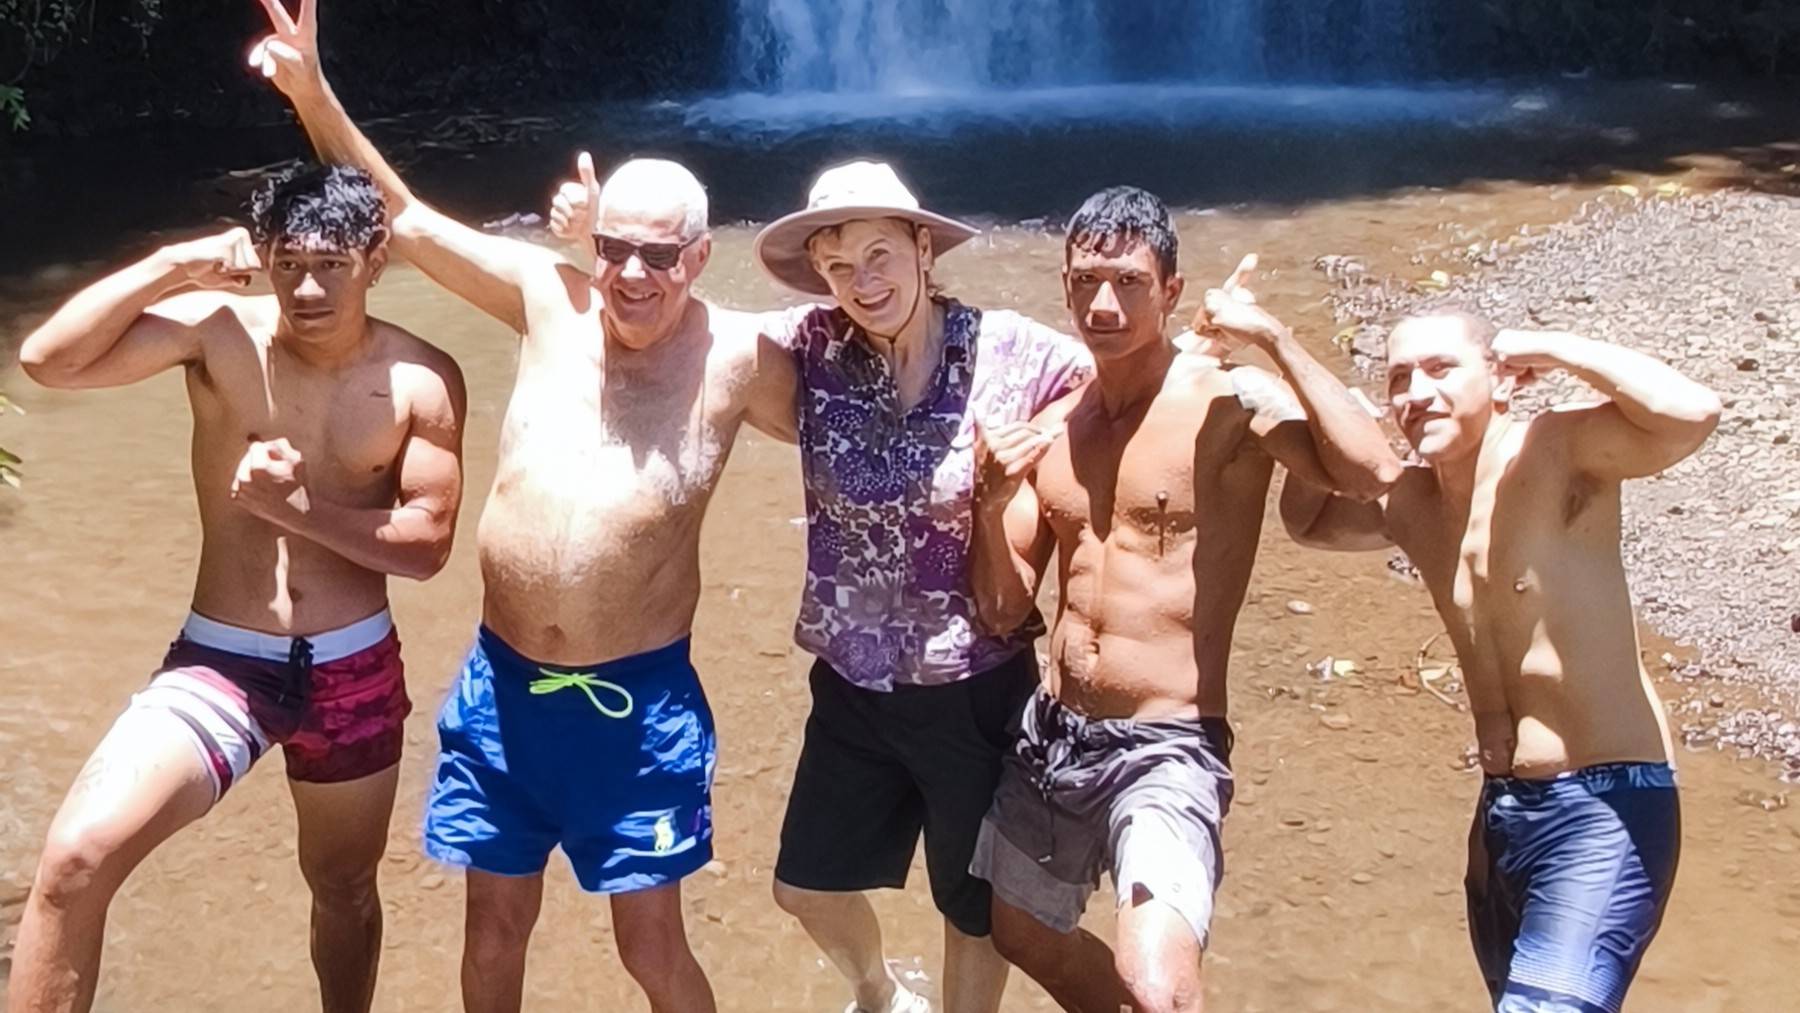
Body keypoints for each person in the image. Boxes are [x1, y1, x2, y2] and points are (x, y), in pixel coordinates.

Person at [247, 2, 797, 1011]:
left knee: (652, 950)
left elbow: (881, 396)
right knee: (494, 938)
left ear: (701, 257)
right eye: (617, 247)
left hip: (638, 707)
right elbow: (402, 222)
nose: (633, 273)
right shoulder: (548, 296)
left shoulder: (741, 357)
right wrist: (311, 92)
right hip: (504, 692)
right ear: (595, 241)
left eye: (660, 255)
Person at [10, 163, 467, 1013]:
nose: (308, 286)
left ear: (376, 259)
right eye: (288, 261)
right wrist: (172, 264)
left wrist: (299, 509)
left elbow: (427, 545)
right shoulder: (217, 332)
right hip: (222, 660)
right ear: (261, 256)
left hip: (353, 668)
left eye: (332, 263)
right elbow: (48, 362)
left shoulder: (420, 378)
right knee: (76, 860)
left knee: (343, 889)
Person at [966, 185, 1403, 1013]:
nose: (1104, 301)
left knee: (1162, 991)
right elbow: (1002, 607)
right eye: (1087, 279)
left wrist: (1270, 336)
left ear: (1170, 291)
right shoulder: (1058, 424)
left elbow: (1370, 469)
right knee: (1022, 932)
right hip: (1054, 735)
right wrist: (988, 509)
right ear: (1063, 286)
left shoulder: (1227, 403)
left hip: (1167, 742)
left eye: (1130, 281)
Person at [1279, 312, 1720, 1013]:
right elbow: (1307, 521)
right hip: (1503, 820)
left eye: (1440, 369)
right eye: (1398, 378)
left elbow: (1691, 413)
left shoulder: (1557, 449)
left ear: (1503, 381)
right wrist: (1335, 422)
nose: (1415, 392)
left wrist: (1553, 346)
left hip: (1606, 808)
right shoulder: (1413, 500)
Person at [741, 160, 1095, 1013]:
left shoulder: (1010, 348)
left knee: (971, 907)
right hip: (853, 683)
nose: (862, 282)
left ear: (923, 246)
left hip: (974, 687)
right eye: (838, 267)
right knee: (804, 885)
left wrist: (1032, 443)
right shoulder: (809, 347)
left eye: (879, 254)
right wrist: (592, 246)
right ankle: (877, 992)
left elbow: (1119, 376)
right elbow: (681, 333)